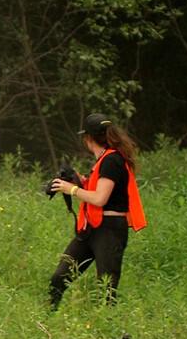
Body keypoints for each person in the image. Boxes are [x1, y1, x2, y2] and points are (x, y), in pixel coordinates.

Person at [48, 113, 147, 308]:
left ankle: (109, 331)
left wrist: (72, 190)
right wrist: (78, 179)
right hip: (91, 229)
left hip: (109, 230)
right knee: (59, 277)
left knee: (106, 289)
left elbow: (100, 198)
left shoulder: (112, 161)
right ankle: (48, 317)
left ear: (88, 138)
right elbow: (98, 189)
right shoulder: (104, 160)